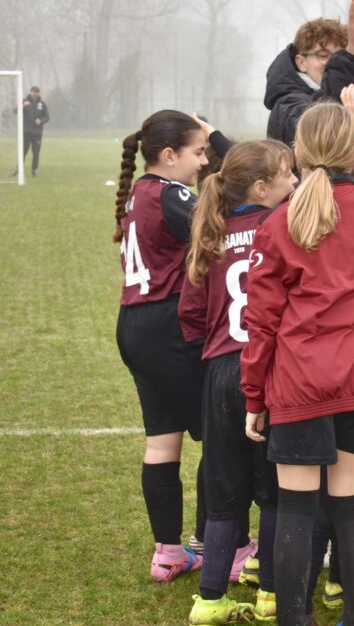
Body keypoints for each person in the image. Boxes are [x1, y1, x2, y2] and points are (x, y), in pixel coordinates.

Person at [241, 102, 354, 626]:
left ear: (300, 149)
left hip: (299, 383)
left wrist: (255, 395)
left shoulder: (277, 222)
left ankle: (296, 618)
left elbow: (261, 322)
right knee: (351, 508)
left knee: (297, 509)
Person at [180, 139, 297, 625]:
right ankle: (270, 593)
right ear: (261, 186)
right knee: (273, 490)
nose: (295, 183)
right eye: (288, 174)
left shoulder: (212, 233)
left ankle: (209, 600)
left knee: (224, 491)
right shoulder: (284, 229)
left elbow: (189, 315)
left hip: (221, 371)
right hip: (268, 370)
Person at [113, 110, 208, 583]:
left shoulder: (138, 192)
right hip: (168, 324)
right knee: (221, 433)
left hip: (132, 323)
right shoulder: (172, 193)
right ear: (169, 155)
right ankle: (221, 544)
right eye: (197, 153)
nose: (202, 162)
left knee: (162, 439)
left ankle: (169, 552)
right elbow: (218, 233)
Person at [264, 0, 354, 146]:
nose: (332, 63)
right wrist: (351, 53)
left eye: (338, 55)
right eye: (323, 55)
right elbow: (324, 125)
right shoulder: (288, 107)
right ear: (301, 62)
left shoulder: (318, 95)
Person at [18, 86, 49, 177]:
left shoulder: (42, 104)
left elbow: (47, 117)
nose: (35, 93)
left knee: (36, 153)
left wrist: (41, 121)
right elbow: (16, 111)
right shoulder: (24, 101)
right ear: (30, 92)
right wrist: (23, 106)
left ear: (38, 93)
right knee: (23, 151)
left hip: (37, 133)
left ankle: (34, 170)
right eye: (33, 92)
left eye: (36, 92)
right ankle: (19, 169)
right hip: (26, 132)